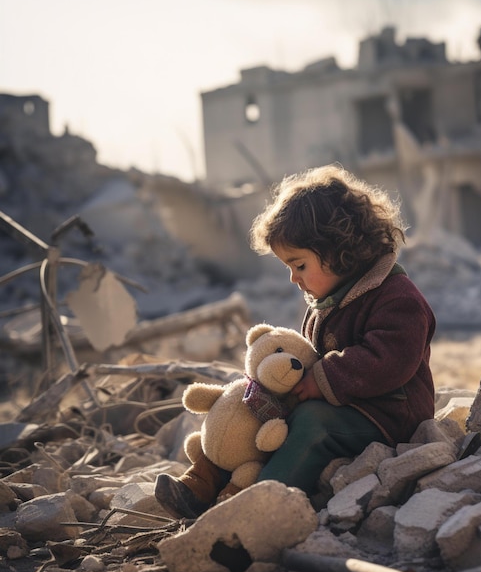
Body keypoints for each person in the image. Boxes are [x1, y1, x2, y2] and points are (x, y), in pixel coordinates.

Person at [156, 163, 436, 517]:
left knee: (310, 424)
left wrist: (323, 379)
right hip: (347, 404)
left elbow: (390, 359)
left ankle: (257, 511)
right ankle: (204, 482)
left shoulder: (397, 298)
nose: (293, 278)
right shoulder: (327, 302)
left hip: (390, 414)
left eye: (299, 265)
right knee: (250, 409)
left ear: (339, 249)